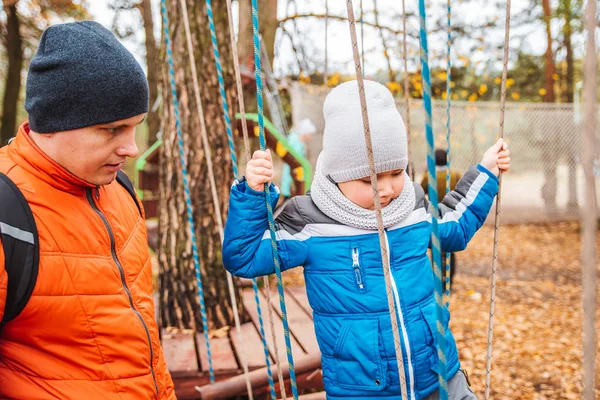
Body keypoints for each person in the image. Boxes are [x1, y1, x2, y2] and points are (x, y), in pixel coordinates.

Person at [222, 80, 510, 399]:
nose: (386, 188)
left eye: (396, 173)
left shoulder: (412, 205)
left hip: (438, 374)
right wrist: (252, 195)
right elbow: (244, 257)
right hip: (364, 389)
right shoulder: (311, 221)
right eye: (369, 179)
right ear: (338, 173)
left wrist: (486, 172)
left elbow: (454, 227)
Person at [0, 21, 175, 399]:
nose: (131, 148)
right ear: (52, 123)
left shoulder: (120, 189)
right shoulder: (6, 212)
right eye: (112, 129)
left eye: (135, 127)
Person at [421, 148, 463, 293]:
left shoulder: (429, 176)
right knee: (450, 250)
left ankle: (437, 281)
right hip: (451, 215)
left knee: (435, 249)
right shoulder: (455, 174)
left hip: (434, 216)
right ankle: (449, 282)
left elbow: (421, 191)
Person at [279, 118, 317, 201]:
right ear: (306, 133)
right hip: (291, 168)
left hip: (296, 170)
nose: (311, 137)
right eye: (310, 134)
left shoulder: (300, 141)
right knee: (288, 187)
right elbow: (293, 156)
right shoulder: (295, 139)